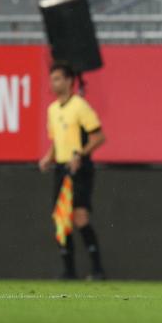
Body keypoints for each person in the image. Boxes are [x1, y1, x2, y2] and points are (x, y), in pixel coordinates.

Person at [38, 62, 107, 280]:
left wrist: (81, 154)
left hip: (79, 167)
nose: (54, 83)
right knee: (61, 218)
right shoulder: (52, 109)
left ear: (69, 80)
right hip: (61, 168)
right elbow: (57, 141)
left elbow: (99, 137)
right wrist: (48, 158)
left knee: (79, 216)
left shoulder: (80, 106)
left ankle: (97, 269)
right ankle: (69, 271)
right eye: (52, 79)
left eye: (58, 78)